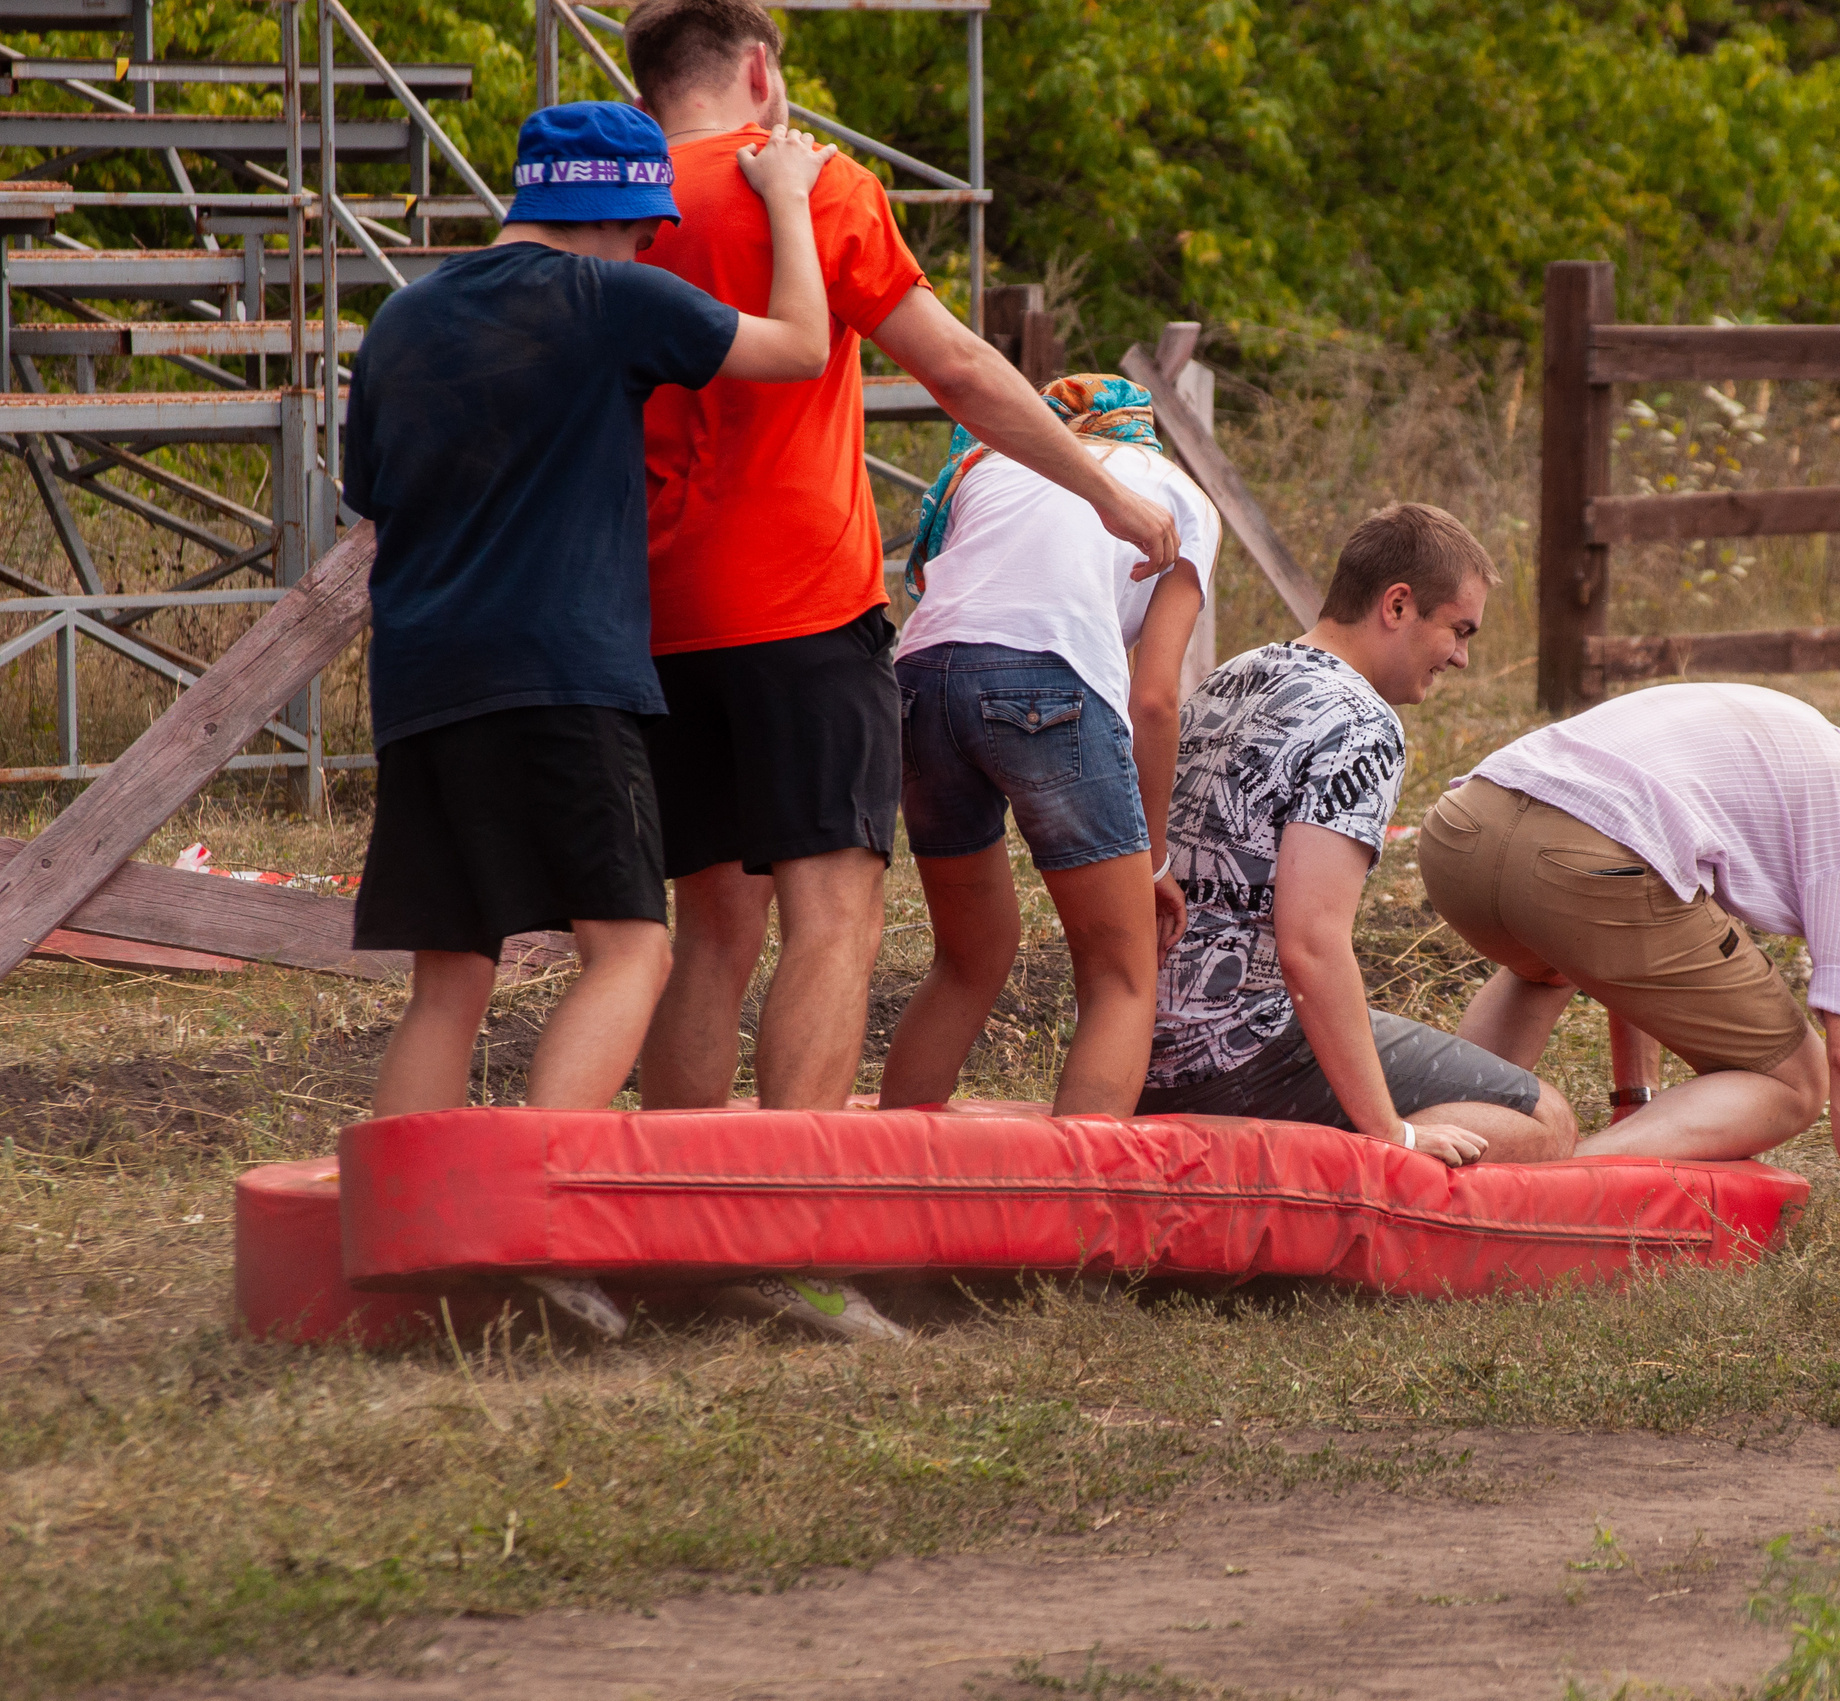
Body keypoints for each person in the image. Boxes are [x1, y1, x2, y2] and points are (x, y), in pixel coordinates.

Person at [621, 0, 1181, 1119]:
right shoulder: (809, 184)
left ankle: (681, 1230)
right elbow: (961, 372)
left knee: (712, 930)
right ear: (759, 67)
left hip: (652, 610)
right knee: (834, 913)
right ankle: (793, 1235)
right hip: (798, 609)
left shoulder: (614, 205)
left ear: (645, 83)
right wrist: (1107, 490)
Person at [342, 104, 835, 1335]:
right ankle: (540, 1231)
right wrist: (784, 197)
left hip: (419, 684)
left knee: (448, 974)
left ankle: (409, 1261)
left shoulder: (402, 318)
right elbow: (798, 350)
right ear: (628, 215)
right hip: (564, 673)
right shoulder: (604, 297)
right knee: (633, 947)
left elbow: (370, 489)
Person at [1417, 684, 1840, 1257]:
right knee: (1795, 1081)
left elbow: (1632, 956)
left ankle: (1419, 1148)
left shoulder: (1799, 738)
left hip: (1461, 832)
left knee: (1545, 969)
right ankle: (1545, 1183)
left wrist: (1637, 1101)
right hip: (1580, 862)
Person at [1135, 504, 1579, 1165]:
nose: (1461, 657)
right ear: (1397, 605)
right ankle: (1351, 1176)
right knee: (1548, 1120)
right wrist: (1389, 1129)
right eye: (1458, 630)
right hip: (1236, 1051)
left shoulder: (1235, 673)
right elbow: (1310, 944)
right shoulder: (1363, 724)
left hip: (1139, 1044)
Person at [879, 376, 1215, 1114]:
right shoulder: (1176, 491)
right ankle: (1079, 1218)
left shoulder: (994, 461)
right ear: (1141, 431)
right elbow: (1155, 698)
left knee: (967, 958)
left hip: (917, 678)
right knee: (1120, 977)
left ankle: (885, 1191)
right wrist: (1153, 858)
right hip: (1045, 679)